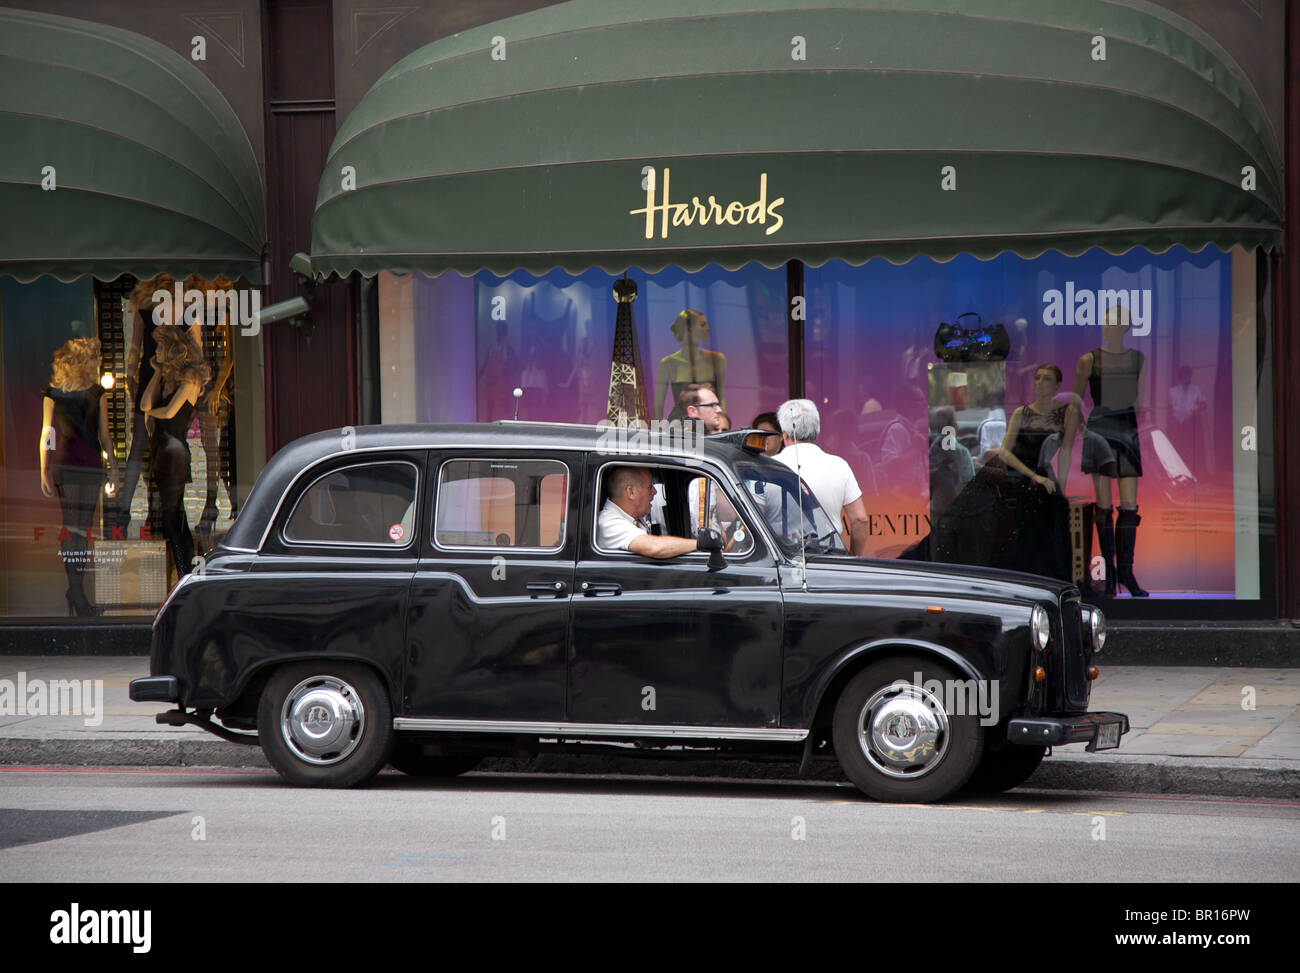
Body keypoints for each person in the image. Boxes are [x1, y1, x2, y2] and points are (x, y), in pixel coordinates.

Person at [923, 364, 1076, 582]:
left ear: (1058, 384)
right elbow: (1005, 451)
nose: (1041, 383)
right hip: (1028, 484)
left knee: (1055, 538)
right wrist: (1033, 476)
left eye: (1047, 379)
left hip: (1053, 485)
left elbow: (1067, 452)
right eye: (1038, 378)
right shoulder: (1021, 413)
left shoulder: (1067, 413)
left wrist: (1062, 483)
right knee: (1030, 541)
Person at [40, 338, 121, 616]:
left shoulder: (93, 392)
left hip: (83, 464)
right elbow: (47, 435)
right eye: (91, 358)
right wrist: (42, 470)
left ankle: (76, 591)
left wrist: (114, 469)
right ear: (77, 362)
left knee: (79, 527)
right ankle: (77, 593)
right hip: (77, 463)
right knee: (76, 527)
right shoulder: (55, 393)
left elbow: (105, 435)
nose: (95, 363)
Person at [1072, 306, 1148, 596]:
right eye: (1105, 320)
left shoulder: (1139, 359)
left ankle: (1124, 572)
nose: (1106, 324)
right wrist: (1083, 431)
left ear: (1124, 326)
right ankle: (1113, 573)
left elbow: (1141, 403)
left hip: (1125, 428)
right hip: (1103, 428)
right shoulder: (1088, 359)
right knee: (1105, 505)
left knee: (1128, 505)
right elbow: (1075, 401)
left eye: (1112, 320)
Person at [141, 326, 210, 581]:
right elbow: (144, 404)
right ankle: (186, 574)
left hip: (174, 450)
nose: (156, 351)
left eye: (160, 347)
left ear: (171, 350)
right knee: (173, 515)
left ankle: (186, 573)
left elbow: (169, 412)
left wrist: (150, 415)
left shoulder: (190, 379)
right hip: (162, 449)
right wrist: (157, 373)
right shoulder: (168, 378)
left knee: (172, 516)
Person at [773, 399, 869, 555]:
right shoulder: (839, 465)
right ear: (816, 431)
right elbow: (860, 519)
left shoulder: (768, 467)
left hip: (782, 559)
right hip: (831, 559)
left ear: (784, 435)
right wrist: (853, 559)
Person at [597, 465, 721, 559]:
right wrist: (700, 543)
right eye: (650, 487)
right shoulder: (608, 522)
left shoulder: (633, 517)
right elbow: (655, 547)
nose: (655, 492)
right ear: (631, 492)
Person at [654, 309, 726, 422]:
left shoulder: (716, 359)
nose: (708, 328)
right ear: (689, 329)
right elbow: (658, 404)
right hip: (679, 424)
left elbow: (721, 399)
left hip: (708, 422)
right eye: (702, 325)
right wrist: (656, 433)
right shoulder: (668, 363)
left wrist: (722, 426)